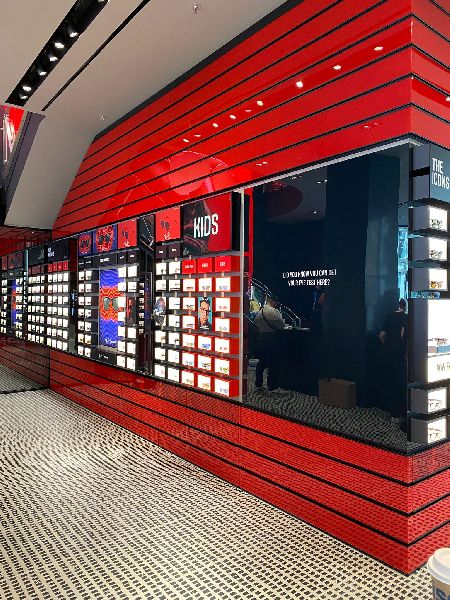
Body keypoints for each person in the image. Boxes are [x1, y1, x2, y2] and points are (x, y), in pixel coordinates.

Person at [379, 298, 408, 427]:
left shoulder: (389, 316)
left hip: (387, 353)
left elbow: (381, 335)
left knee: (389, 380)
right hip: (399, 354)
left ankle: (391, 412)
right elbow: (403, 336)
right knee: (399, 383)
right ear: (405, 307)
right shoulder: (406, 318)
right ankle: (398, 414)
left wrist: (387, 346)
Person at [253, 296, 286, 391]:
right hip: (272, 340)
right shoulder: (274, 312)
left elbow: (255, 324)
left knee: (261, 362)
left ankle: (258, 384)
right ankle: (272, 386)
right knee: (272, 363)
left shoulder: (260, 313)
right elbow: (282, 326)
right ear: (273, 301)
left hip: (261, 339)